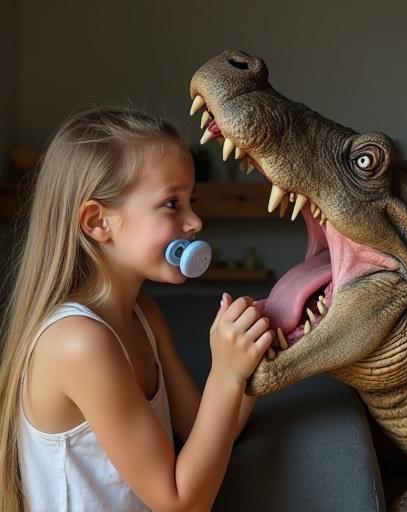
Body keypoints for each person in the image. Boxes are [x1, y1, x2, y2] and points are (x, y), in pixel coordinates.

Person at [0, 107, 275, 512]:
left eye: (191, 201)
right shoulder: (78, 343)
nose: (195, 220)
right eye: (171, 204)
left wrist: (251, 360)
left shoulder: (143, 315)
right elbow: (180, 503)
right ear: (97, 222)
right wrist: (224, 373)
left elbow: (209, 429)